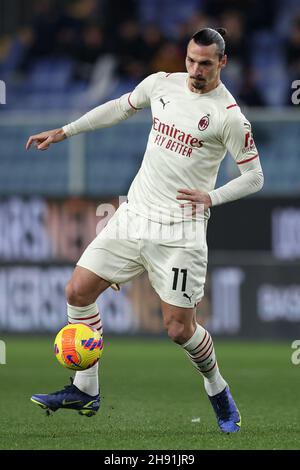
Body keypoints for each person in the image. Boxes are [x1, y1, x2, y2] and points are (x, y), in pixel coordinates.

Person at [26, 28, 264, 433]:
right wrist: (64, 131)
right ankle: (86, 391)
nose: (196, 70)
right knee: (77, 291)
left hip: (181, 231)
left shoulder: (229, 117)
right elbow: (119, 107)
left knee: (178, 329)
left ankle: (217, 388)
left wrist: (212, 198)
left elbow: (255, 176)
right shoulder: (161, 84)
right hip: (134, 215)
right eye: (191, 60)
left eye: (206, 63)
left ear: (223, 63)